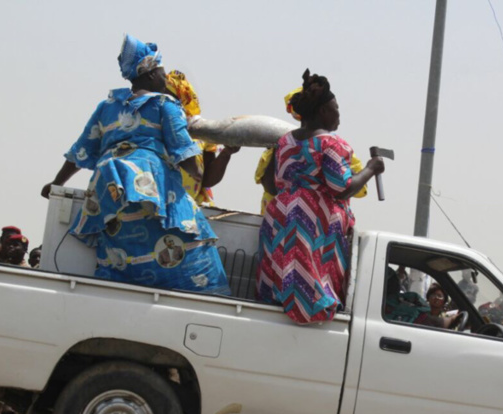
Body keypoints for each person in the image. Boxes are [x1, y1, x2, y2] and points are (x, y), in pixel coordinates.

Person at [43, 35, 229, 295]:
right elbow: (184, 153)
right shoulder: (165, 104)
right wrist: (199, 175)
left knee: (121, 252)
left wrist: (56, 183)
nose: (166, 78)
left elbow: (81, 150)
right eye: (162, 72)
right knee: (196, 255)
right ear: (151, 74)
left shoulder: (107, 107)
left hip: (110, 193)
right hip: (150, 189)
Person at [256, 69, 384, 324]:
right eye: (336, 109)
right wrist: (371, 169)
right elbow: (343, 188)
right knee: (311, 278)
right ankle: (310, 312)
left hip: (281, 216)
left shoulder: (284, 142)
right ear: (323, 111)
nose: (339, 115)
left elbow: (270, 183)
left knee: (281, 270)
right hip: (312, 221)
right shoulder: (330, 144)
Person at [255, 87, 369, 215]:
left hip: (278, 223)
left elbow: (270, 186)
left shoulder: (282, 144)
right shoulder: (335, 147)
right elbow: (355, 189)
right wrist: (370, 169)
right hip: (318, 226)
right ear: (323, 110)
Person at [164, 69, 239, 207]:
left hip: (192, 209)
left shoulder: (201, 132)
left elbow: (207, 180)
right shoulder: (150, 128)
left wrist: (226, 153)